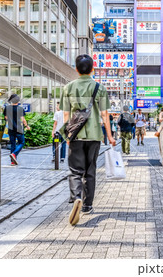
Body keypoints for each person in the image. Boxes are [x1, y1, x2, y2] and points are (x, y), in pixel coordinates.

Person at [61, 54, 115, 226]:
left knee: (75, 170)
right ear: (92, 69)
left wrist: (66, 135)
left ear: (76, 69)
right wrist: (110, 136)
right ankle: (87, 205)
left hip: (75, 135)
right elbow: (105, 115)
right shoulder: (100, 88)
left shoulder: (68, 87)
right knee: (90, 171)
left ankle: (76, 196)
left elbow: (66, 114)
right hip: (94, 135)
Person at [3, 94, 30, 165]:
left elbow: (6, 118)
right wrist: (27, 126)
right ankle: (14, 154)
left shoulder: (7, 108)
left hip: (10, 128)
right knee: (22, 142)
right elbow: (23, 119)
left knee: (13, 144)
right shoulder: (20, 108)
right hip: (18, 128)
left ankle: (12, 161)